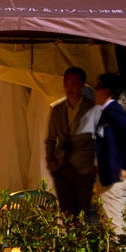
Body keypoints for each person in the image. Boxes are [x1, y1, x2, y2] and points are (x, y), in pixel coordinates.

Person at [45, 66, 98, 217]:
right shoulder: (57, 109)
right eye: (68, 83)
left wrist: (95, 165)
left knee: (81, 213)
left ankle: (80, 233)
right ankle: (69, 233)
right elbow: (50, 139)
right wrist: (51, 163)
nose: (71, 88)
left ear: (82, 86)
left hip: (84, 169)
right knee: (66, 212)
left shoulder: (92, 108)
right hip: (61, 168)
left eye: (74, 84)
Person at [93, 73, 126, 234]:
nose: (94, 92)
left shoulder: (112, 112)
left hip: (113, 179)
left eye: (96, 88)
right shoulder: (109, 112)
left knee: (115, 228)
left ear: (105, 90)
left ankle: (123, 250)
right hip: (110, 177)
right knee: (111, 225)